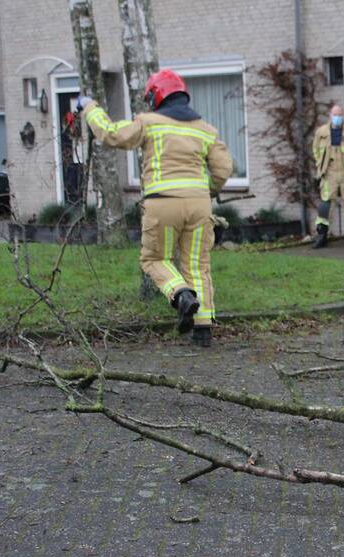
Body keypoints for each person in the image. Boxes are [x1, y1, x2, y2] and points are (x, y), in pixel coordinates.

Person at [78, 69, 233, 348]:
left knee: (154, 260)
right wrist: (206, 189)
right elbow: (223, 169)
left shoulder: (149, 122)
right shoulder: (206, 129)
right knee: (198, 265)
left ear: (156, 96)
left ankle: (181, 294)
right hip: (199, 205)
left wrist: (89, 107)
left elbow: (112, 135)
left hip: (162, 204)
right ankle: (203, 331)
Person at [312, 104, 344, 248]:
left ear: (343, 115)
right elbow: (315, 149)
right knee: (326, 205)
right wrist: (320, 164)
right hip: (329, 173)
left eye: (340, 115)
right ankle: (322, 235)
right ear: (330, 116)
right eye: (335, 115)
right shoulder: (321, 132)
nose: (337, 118)